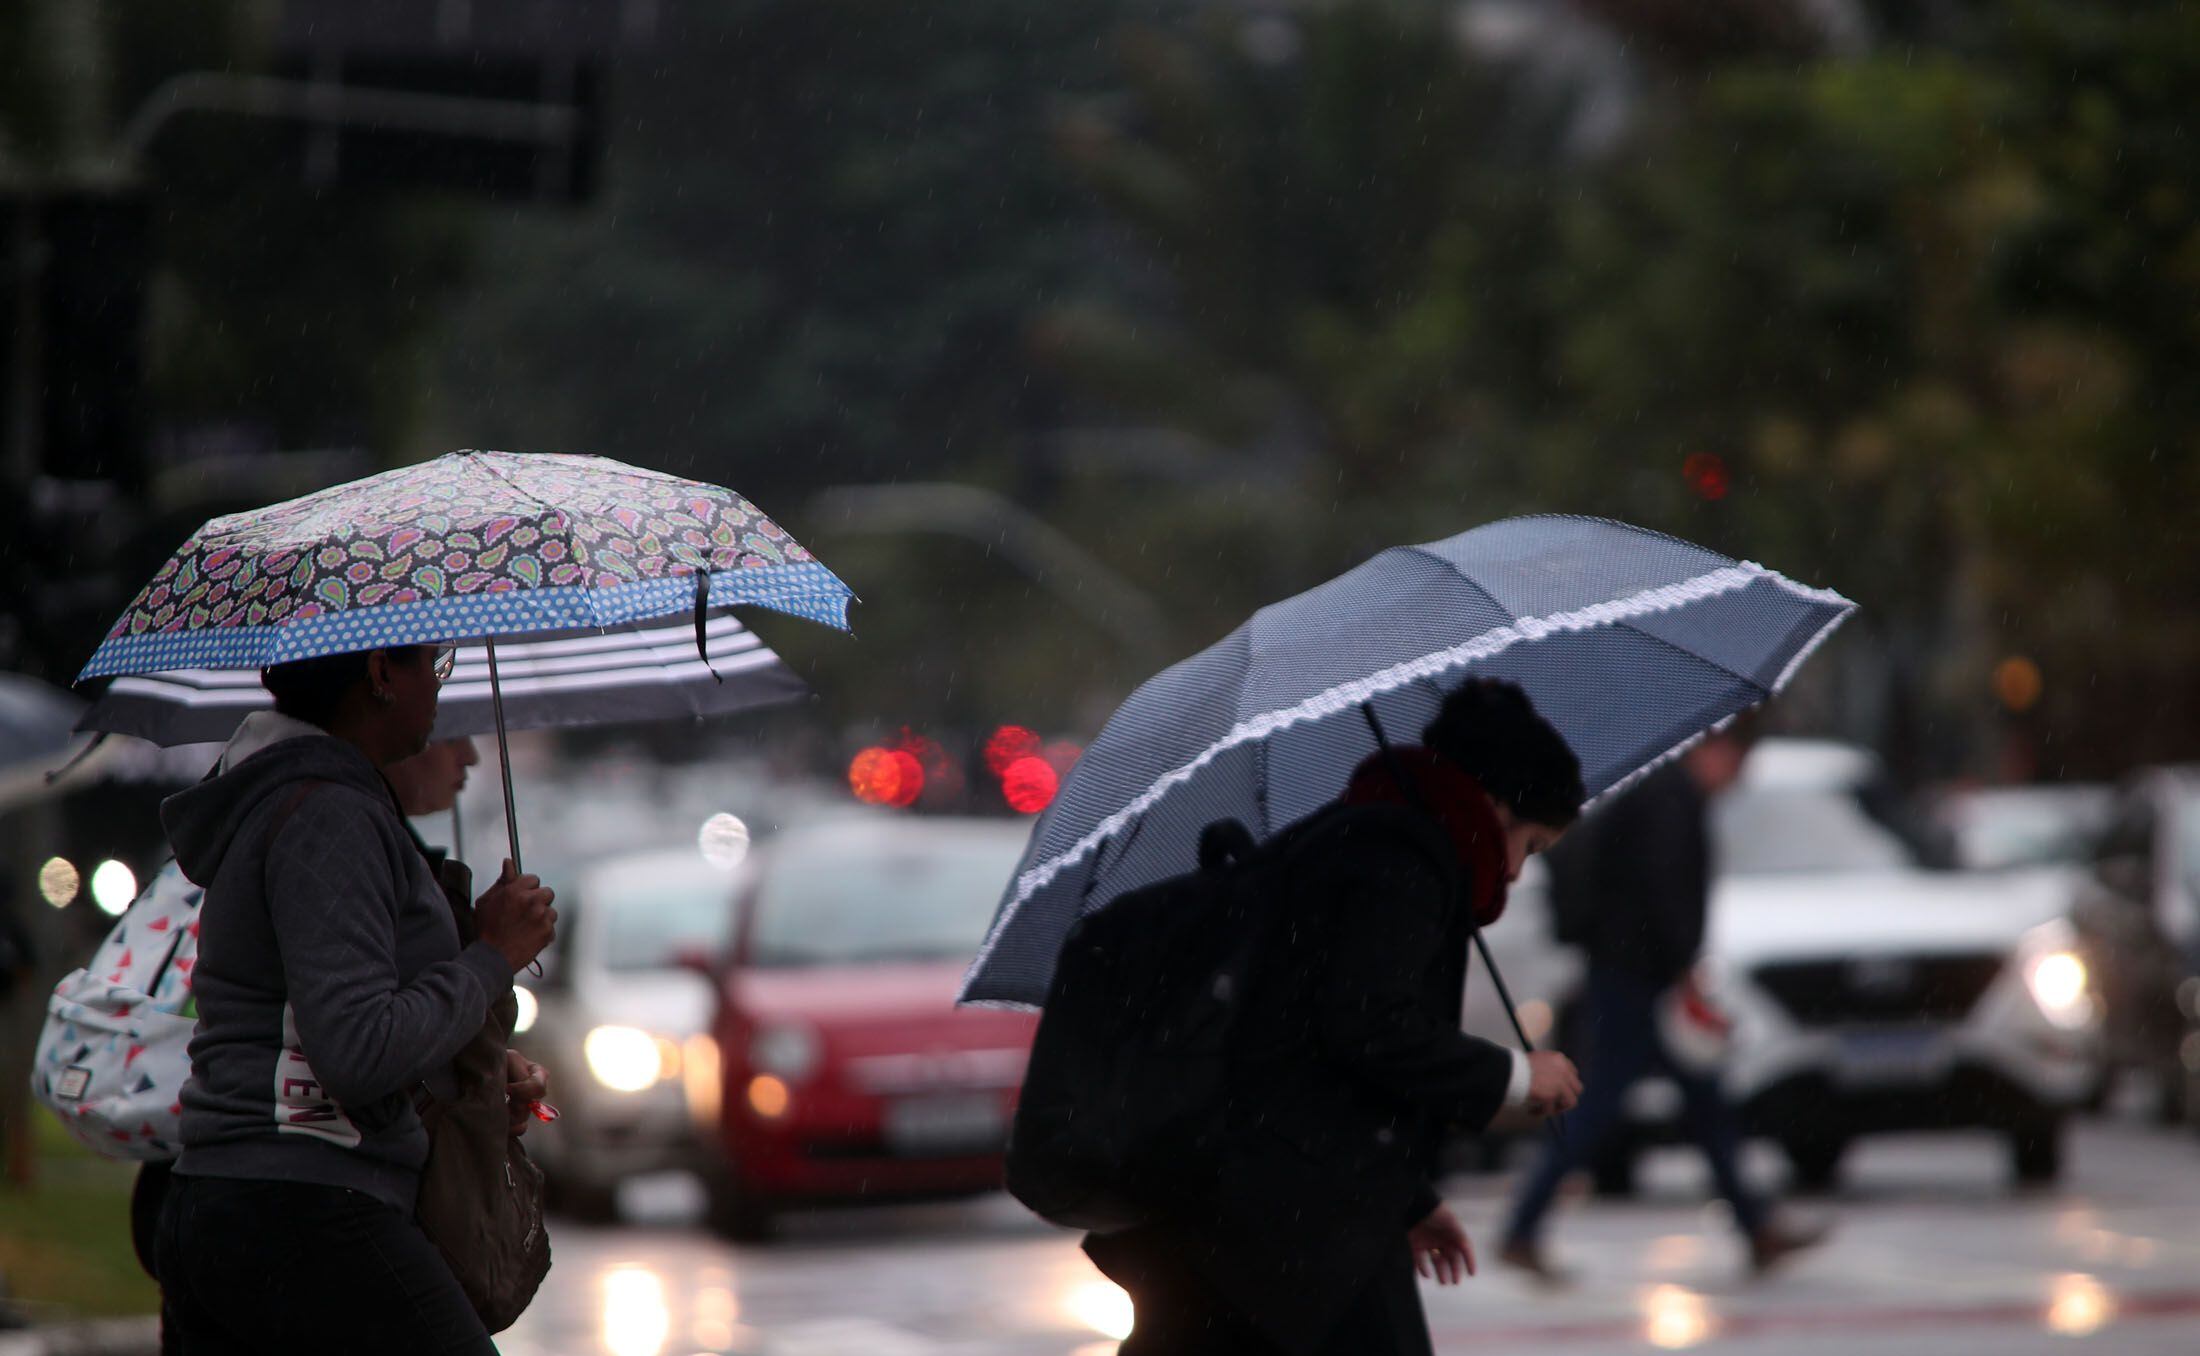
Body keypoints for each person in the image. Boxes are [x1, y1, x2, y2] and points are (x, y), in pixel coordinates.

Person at [1086, 678, 1587, 1356]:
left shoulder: (1363, 843)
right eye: (1532, 847)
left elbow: (1314, 1057)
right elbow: (1368, 1028)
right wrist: (1517, 1077)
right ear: (1497, 806)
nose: (1521, 874)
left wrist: (1407, 1199)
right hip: (1281, 1218)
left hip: (1253, 1205)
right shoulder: (1399, 864)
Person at [153, 643, 556, 1355]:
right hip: (300, 1206)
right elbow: (359, 1051)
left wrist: (476, 1073)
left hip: (249, 1199)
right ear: (379, 674)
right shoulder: (328, 814)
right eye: (435, 661)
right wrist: (492, 957)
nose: (439, 683)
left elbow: (338, 1013)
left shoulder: (315, 800)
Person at [1499, 724, 1826, 1281]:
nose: (1739, 778)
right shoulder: (1670, 797)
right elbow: (1664, 892)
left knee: (1704, 1103)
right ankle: (1522, 1228)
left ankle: (1756, 1227)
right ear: (1716, 750)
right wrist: (1684, 969)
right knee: (1601, 1104)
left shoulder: (1656, 790)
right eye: (1739, 762)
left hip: (1633, 975)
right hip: (1636, 982)